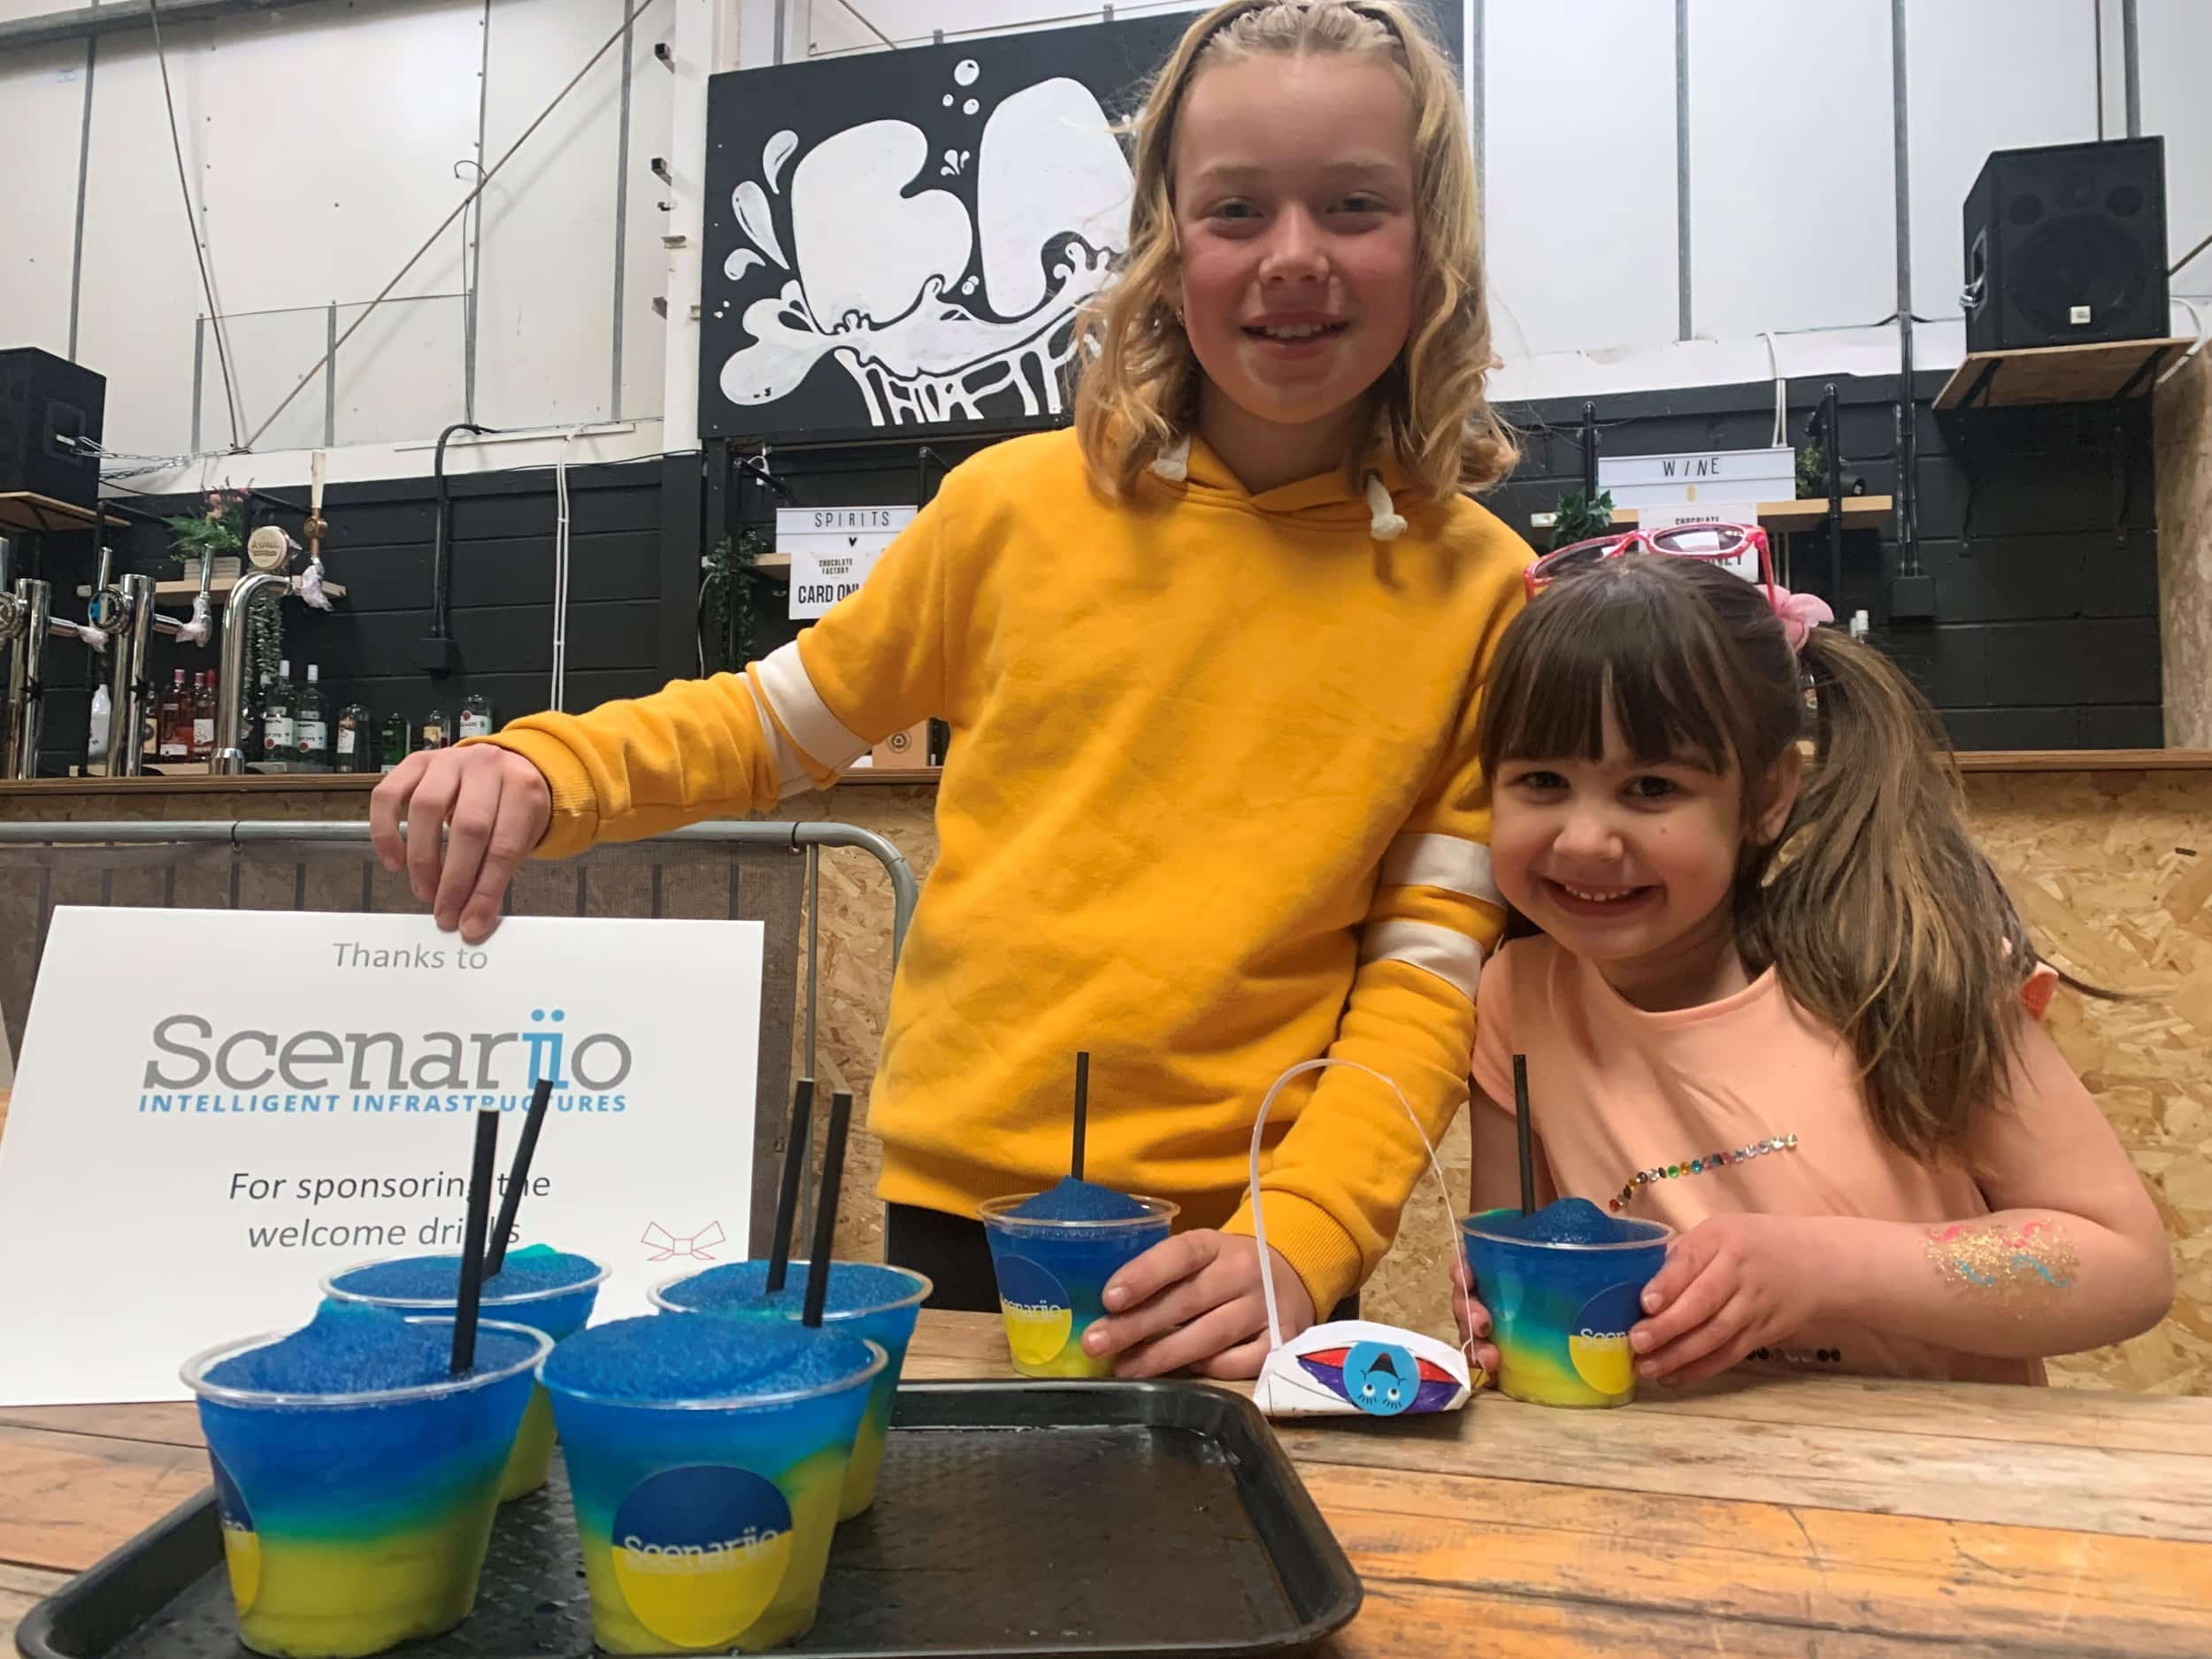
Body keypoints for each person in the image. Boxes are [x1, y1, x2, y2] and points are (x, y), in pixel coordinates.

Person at [371, 0, 1529, 1379]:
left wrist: (1310, 1225)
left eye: (1353, 205)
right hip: (960, 1212)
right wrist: (547, 767)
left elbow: (1424, 974)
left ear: (1433, 237)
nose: (1293, 258)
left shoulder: (1485, 593)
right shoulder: (1008, 511)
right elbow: (764, 724)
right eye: (1234, 211)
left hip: (1234, 1241)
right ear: (1164, 240)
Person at [1455, 547, 2174, 1386]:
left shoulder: (1899, 965)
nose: (1584, 838)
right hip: (1679, 1485)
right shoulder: (1516, 998)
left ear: (1765, 797)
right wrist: (1499, 1314)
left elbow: (2126, 1266)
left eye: (1651, 788)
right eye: (1541, 780)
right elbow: (1523, 1256)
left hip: (1949, 1485)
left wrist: (1822, 1267)